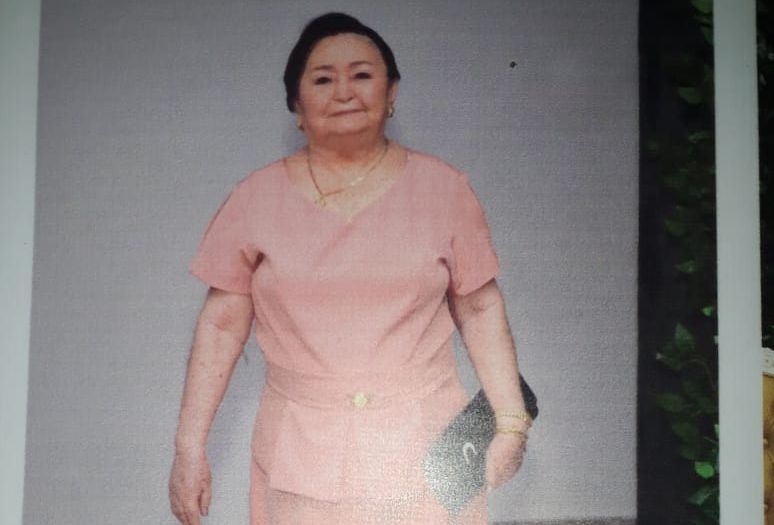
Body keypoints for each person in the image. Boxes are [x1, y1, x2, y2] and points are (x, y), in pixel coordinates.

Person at [169, 12, 531, 525]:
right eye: (323, 79)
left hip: (429, 445)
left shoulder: (445, 190)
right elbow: (221, 325)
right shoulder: (254, 200)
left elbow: (480, 308)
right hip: (300, 453)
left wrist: (511, 423)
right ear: (296, 104)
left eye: (361, 75)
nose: (343, 92)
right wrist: (189, 449)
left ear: (391, 92)